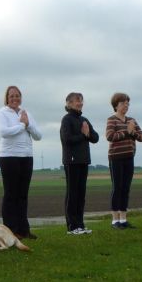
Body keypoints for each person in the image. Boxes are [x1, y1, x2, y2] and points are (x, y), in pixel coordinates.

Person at [0, 86, 42, 239]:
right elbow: (4, 132)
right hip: (9, 157)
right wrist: (22, 125)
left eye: (17, 96)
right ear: (7, 98)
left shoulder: (25, 113)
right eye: (12, 96)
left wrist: (28, 124)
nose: (15, 98)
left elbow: (38, 135)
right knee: (11, 194)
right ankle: (11, 230)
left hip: (26, 157)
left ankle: (23, 230)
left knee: (23, 195)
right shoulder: (2, 113)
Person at [60, 92, 99, 235]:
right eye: (77, 100)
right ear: (69, 103)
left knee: (81, 194)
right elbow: (67, 139)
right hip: (71, 161)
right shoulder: (66, 120)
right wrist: (83, 135)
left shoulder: (84, 119)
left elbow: (95, 138)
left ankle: (80, 224)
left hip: (84, 160)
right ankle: (72, 226)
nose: (80, 103)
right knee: (73, 193)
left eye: (81, 100)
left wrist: (87, 134)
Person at [105, 93, 142, 229]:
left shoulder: (131, 120)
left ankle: (123, 219)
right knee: (117, 188)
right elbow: (110, 136)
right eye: (123, 103)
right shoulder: (111, 120)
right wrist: (127, 132)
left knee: (126, 189)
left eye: (128, 103)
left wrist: (132, 132)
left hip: (129, 157)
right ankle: (114, 220)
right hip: (116, 158)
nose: (126, 106)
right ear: (116, 105)